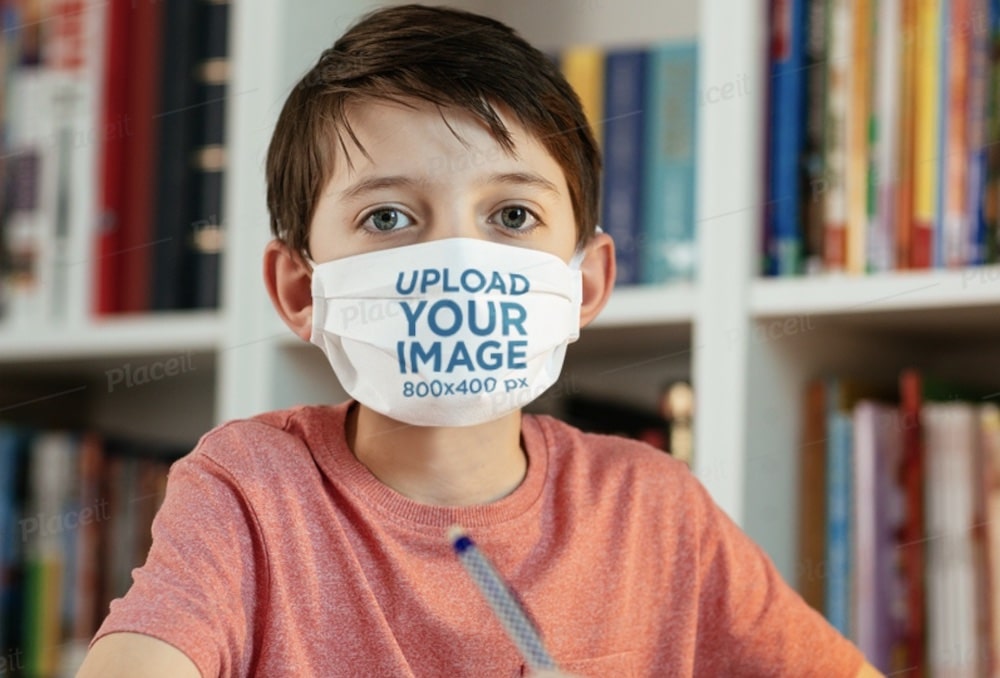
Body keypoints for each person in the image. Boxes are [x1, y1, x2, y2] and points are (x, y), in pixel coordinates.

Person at [78, 5, 883, 677]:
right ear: (301, 288)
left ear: (587, 284)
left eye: (512, 216)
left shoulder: (654, 511)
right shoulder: (253, 490)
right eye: (387, 217)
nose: (457, 260)